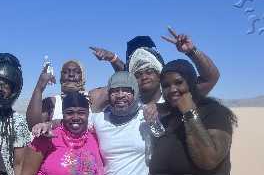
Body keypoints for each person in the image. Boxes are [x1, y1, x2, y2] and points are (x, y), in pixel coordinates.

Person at [89, 28, 221, 112]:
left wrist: (192, 51)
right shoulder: (125, 102)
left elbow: (210, 78)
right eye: (138, 74)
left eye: (149, 71)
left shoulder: (175, 97)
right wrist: (113, 59)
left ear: (160, 73)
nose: (144, 77)